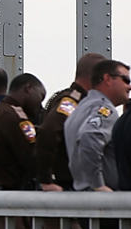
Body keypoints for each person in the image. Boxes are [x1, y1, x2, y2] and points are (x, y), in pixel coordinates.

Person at [37, 52, 105, 190]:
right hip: (67, 185)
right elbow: (49, 131)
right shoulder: (72, 102)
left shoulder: (80, 101)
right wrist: (46, 180)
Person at [65, 59, 131, 191]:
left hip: (84, 193)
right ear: (107, 78)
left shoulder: (80, 108)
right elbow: (89, 136)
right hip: (100, 199)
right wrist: (98, 185)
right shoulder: (104, 109)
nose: (130, 87)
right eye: (126, 80)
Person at [0, 73, 48, 190]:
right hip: (12, 194)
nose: (40, 105)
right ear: (29, 88)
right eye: (41, 96)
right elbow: (34, 159)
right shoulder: (17, 119)